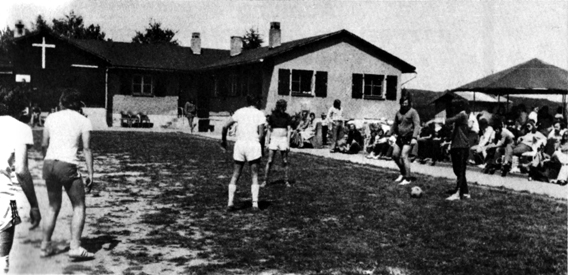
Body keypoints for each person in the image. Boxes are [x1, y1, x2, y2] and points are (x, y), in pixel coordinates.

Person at [41, 90, 95, 259]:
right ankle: (75, 247)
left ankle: (45, 246)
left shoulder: (51, 117)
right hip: (68, 164)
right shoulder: (84, 121)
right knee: (79, 206)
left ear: (62, 101)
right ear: (79, 103)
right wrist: (91, 173)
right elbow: (86, 148)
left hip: (49, 163)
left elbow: (44, 144)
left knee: (52, 206)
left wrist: (49, 161)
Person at [0, 103, 41, 274]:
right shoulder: (20, 128)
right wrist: (34, 205)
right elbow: (21, 171)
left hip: (6, 195)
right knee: (2, 260)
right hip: (5, 194)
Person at [221, 95, 266, 212]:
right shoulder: (260, 114)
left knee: (235, 174)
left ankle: (230, 203)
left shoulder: (239, 112)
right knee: (254, 175)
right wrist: (260, 147)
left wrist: (224, 141)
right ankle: (255, 204)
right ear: (256, 102)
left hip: (240, 145)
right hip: (253, 145)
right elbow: (261, 135)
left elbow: (225, 126)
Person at [437, 99, 471, 200]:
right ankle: (465, 191)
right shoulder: (461, 116)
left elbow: (448, 121)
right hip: (457, 145)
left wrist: (437, 120)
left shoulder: (462, 115)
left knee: (460, 170)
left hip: (462, 146)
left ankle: (458, 193)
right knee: (457, 170)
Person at [388, 92, 420, 185]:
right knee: (394, 155)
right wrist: (389, 134)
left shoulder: (413, 112)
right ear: (401, 103)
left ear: (409, 103)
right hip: (400, 137)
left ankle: (408, 178)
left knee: (404, 155)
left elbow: (417, 125)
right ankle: (403, 172)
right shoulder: (398, 113)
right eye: (403, 103)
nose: (404, 105)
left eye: (406, 103)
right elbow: (395, 124)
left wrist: (414, 137)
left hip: (409, 136)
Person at [263, 99, 292, 188]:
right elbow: (269, 130)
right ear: (279, 107)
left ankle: (286, 181)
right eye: (283, 107)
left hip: (283, 139)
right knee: (270, 160)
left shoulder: (287, 116)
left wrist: (288, 143)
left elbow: (289, 130)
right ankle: (265, 181)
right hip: (274, 139)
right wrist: (267, 142)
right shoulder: (272, 116)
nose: (284, 109)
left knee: (285, 161)